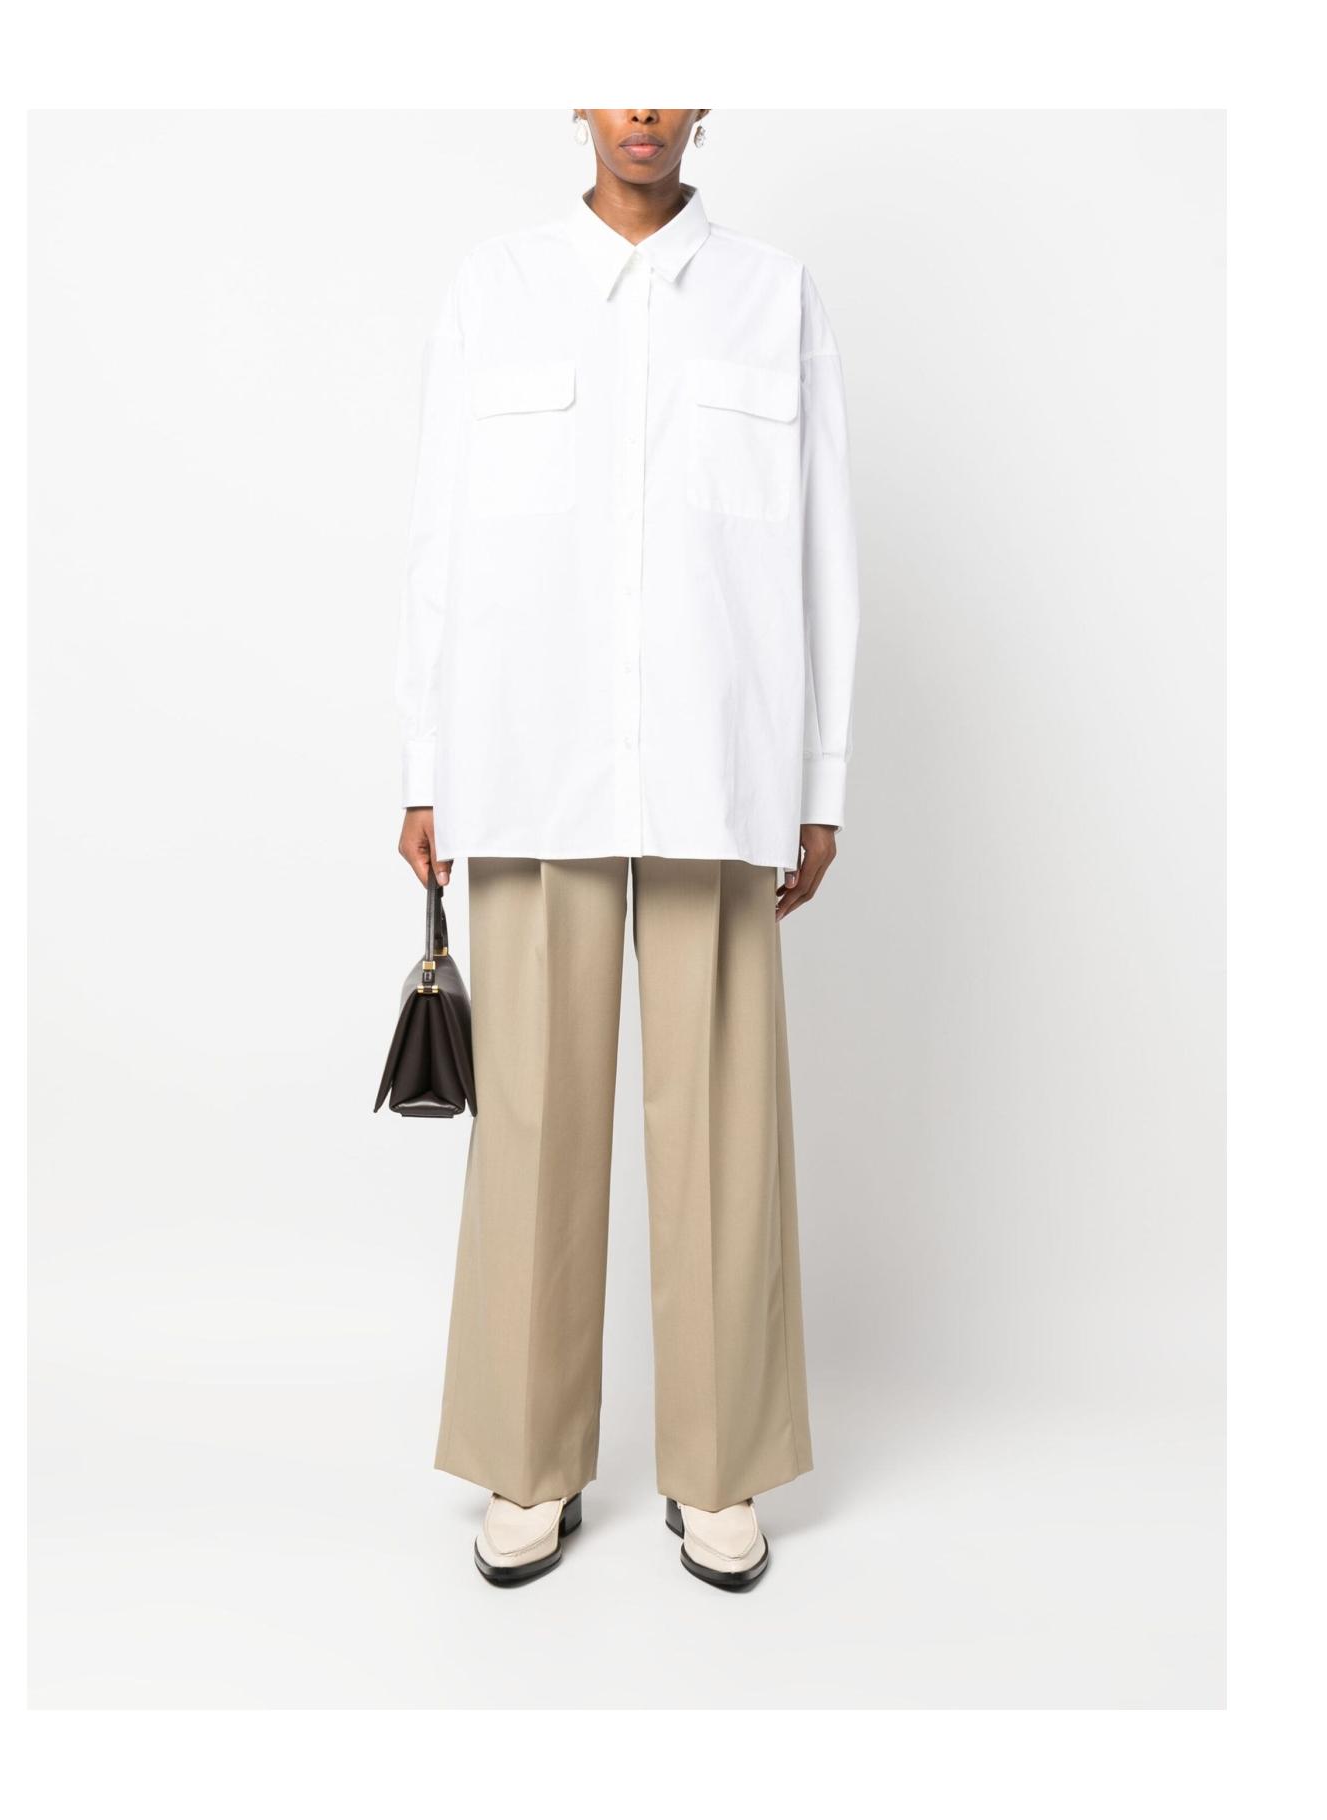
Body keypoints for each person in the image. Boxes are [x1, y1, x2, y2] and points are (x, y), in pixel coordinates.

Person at [394, 107, 860, 1591]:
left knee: (724, 1127)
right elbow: (443, 538)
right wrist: (426, 767)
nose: (644, 110)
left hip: (717, 767)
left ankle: (718, 1469)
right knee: (531, 1127)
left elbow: (822, 547)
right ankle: (528, 1462)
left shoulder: (774, 295)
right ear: (579, 102)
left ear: (705, 101)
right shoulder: (496, 288)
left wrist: (818, 776)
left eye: (671, 79)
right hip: (532, 767)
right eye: (617, 79)